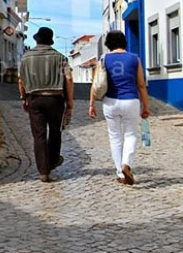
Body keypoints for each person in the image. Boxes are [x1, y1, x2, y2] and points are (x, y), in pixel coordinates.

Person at [88, 30, 150, 185]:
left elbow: (96, 84)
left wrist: (92, 104)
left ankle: (120, 174)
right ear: (124, 42)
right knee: (130, 134)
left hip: (110, 102)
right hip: (131, 101)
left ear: (108, 44)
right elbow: (141, 85)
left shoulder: (103, 58)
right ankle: (126, 164)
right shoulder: (134, 59)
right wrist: (146, 107)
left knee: (115, 137)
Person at [17, 27, 74, 182]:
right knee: (55, 132)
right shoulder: (60, 57)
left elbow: (21, 80)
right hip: (55, 99)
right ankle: (53, 160)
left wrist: (23, 98)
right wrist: (69, 102)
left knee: (39, 135)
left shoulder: (26, 58)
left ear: (36, 40)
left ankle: (43, 171)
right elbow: (68, 79)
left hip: (34, 99)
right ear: (51, 40)